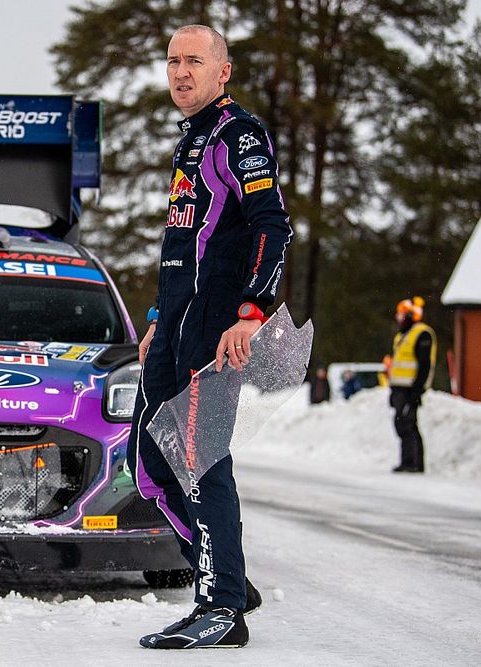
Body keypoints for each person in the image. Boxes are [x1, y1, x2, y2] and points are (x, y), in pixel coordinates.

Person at [131, 24, 292, 650]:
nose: (180, 71)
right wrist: (155, 317)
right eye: (173, 61)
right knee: (150, 462)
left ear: (223, 71)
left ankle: (221, 605)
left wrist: (251, 311)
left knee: (202, 463)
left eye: (194, 60)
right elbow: (183, 245)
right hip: (174, 330)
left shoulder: (237, 134)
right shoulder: (190, 139)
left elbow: (272, 227)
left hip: (215, 332)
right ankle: (227, 578)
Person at [389, 296, 435, 473]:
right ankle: (408, 461)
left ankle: (414, 462)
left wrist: (417, 391)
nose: (398, 318)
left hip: (411, 389)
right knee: (402, 423)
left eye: (401, 315)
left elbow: (424, 366)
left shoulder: (422, 334)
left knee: (407, 424)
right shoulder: (402, 335)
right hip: (399, 388)